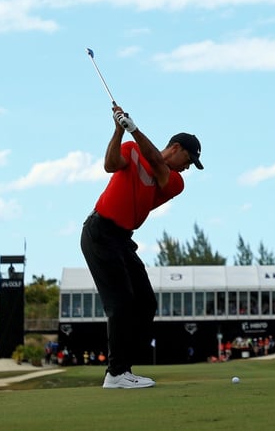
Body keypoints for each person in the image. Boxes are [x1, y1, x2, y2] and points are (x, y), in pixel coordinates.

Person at [81, 105, 203, 389]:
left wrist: (133, 129)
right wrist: (118, 131)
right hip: (99, 231)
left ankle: (123, 368)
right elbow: (110, 164)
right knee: (121, 303)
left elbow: (157, 165)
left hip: (121, 239)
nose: (188, 166)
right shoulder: (131, 151)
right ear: (175, 147)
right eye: (189, 158)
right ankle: (116, 373)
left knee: (146, 302)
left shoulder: (174, 181)